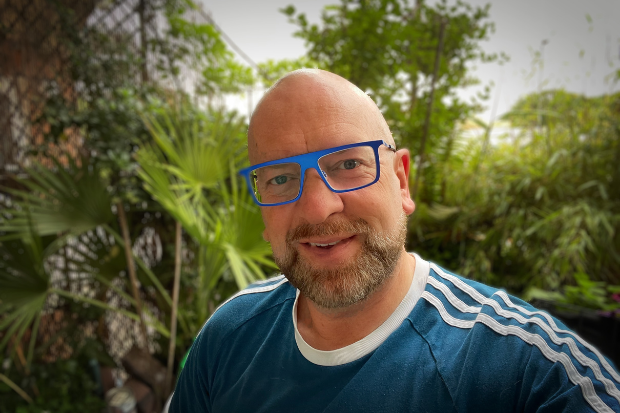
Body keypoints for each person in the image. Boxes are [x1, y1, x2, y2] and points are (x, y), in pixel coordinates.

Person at [169, 69, 620, 413]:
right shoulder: (228, 339)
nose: (318, 207)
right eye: (282, 178)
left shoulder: (528, 373)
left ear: (400, 181)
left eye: (348, 164)